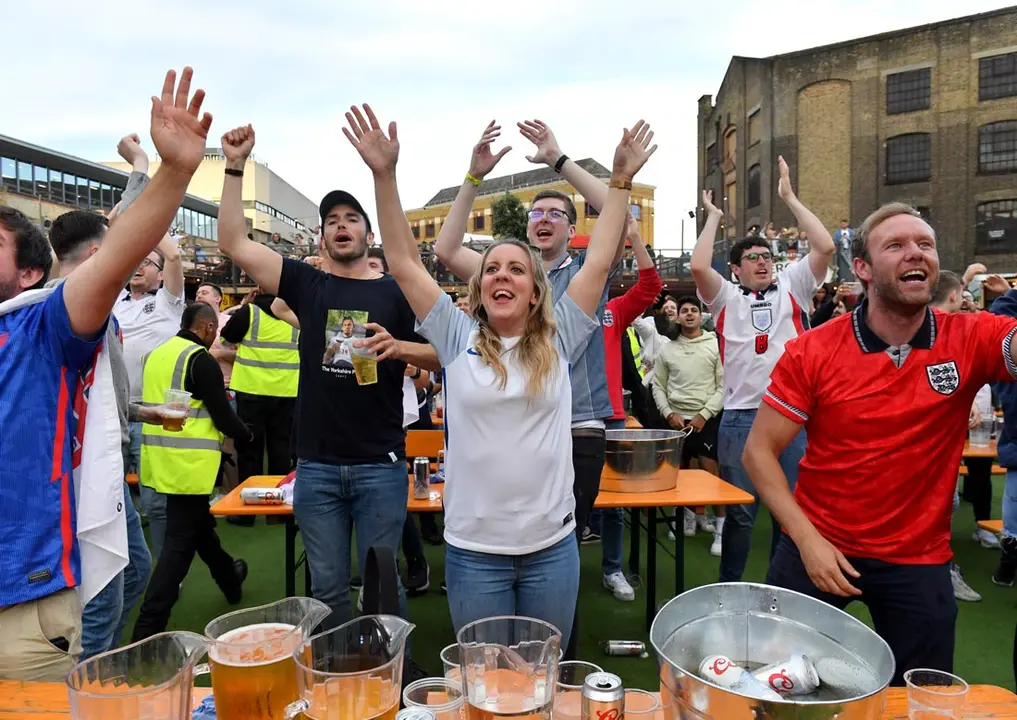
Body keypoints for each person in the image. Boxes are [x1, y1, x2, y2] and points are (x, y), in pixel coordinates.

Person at [342, 102, 655, 646]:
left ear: (536, 291)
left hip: (550, 552)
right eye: (492, 269)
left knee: (542, 680)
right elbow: (403, 260)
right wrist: (384, 175)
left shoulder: (560, 339)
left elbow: (601, 259)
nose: (502, 276)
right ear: (479, 288)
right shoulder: (455, 336)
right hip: (474, 553)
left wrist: (622, 179)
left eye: (516, 269)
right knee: (486, 683)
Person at [743, 202, 1017, 685]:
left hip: (917, 557)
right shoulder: (815, 350)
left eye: (925, 244)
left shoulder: (971, 336)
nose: (916, 252)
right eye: (896, 245)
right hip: (819, 543)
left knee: (922, 698)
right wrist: (807, 541)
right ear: (864, 269)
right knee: (773, 691)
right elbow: (758, 453)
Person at [0, 66, 213, 680]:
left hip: (22, 601)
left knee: (126, 578)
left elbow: (118, 246)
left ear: (30, 277)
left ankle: (99, 673)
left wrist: (168, 172)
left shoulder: (38, 326)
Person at [215, 123, 439, 629]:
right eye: (332, 220)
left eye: (352, 218)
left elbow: (448, 356)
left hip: (379, 465)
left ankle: (391, 679)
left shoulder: (396, 290)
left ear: (368, 234)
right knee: (329, 590)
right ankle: (336, 687)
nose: (341, 225)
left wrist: (399, 346)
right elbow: (231, 239)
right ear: (322, 236)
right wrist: (234, 166)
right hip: (316, 467)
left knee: (383, 586)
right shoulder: (305, 283)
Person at [434, 119, 630, 658]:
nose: (504, 275)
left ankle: (559, 633)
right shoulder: (504, 274)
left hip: (578, 427)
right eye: (535, 213)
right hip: (486, 512)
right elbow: (444, 249)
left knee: (562, 549)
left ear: (570, 227)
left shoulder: (572, 291)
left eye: (555, 214)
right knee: (491, 664)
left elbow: (613, 234)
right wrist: (471, 178)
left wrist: (581, 168)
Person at [691, 157, 835, 583]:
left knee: (789, 515)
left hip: (790, 416)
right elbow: (700, 266)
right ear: (735, 268)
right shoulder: (726, 297)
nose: (762, 261)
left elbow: (824, 246)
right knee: (739, 516)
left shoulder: (793, 283)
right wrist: (714, 217)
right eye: (751, 257)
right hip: (739, 417)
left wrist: (789, 197)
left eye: (765, 255)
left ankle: (782, 590)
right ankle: (729, 589)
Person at [45, 210, 157, 658]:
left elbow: (94, 393)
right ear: (97, 255)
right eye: (114, 250)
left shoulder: (98, 313)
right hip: (82, 470)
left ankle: (98, 665)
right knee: (101, 594)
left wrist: (138, 411)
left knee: (133, 573)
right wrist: (139, 169)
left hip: (106, 463)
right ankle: (87, 679)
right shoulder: (59, 309)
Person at [131, 303, 252, 640]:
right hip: (191, 468)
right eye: (213, 330)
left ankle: (229, 576)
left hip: (160, 462)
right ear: (206, 327)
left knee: (197, 530)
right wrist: (248, 435)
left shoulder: (157, 354)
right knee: (177, 550)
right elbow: (223, 415)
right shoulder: (200, 361)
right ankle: (145, 631)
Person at [112, 135, 187, 562]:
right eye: (136, 262)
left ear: (160, 274)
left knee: (155, 501)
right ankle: (127, 564)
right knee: (116, 496)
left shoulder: (167, 303)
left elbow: (173, 258)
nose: (140, 266)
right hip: (117, 410)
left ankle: (158, 568)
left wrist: (151, 237)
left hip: (155, 411)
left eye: (147, 262)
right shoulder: (116, 303)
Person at [594, 216, 662, 601]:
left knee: (615, 500)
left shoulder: (612, 311)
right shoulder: (558, 310)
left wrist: (635, 237)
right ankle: (561, 567)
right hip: (562, 416)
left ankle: (613, 568)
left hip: (612, 415)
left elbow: (651, 286)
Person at [651, 296, 725, 556]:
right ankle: (687, 520)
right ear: (678, 317)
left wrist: (704, 414)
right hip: (676, 421)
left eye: (695, 310)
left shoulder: (715, 345)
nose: (690, 314)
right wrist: (669, 413)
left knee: (711, 474)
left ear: (701, 316)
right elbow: (658, 385)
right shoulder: (667, 348)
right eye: (685, 311)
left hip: (707, 420)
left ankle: (720, 532)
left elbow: (723, 385)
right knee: (678, 474)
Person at [221, 291, 299, 514]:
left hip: (250, 390)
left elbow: (226, 338)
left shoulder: (250, 312)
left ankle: (250, 508)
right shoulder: (296, 313)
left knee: (249, 451)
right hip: (287, 390)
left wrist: (244, 306)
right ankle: (280, 508)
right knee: (281, 449)